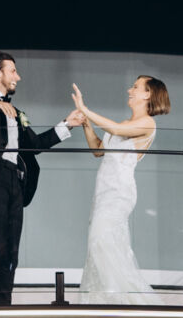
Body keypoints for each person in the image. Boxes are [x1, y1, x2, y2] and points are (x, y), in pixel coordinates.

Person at [0, 52, 83, 305]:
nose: (18, 77)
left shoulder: (16, 112)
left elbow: (35, 144)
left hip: (14, 180)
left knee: (11, 250)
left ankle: (3, 307)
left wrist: (68, 123)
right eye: (13, 71)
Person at [70, 75, 170, 303]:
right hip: (102, 193)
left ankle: (129, 303)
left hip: (119, 193)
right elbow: (97, 149)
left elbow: (114, 129)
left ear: (148, 94)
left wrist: (85, 109)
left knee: (101, 243)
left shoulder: (147, 123)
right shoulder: (124, 124)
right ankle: (109, 303)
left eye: (135, 87)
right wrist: (86, 122)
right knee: (102, 247)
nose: (129, 90)